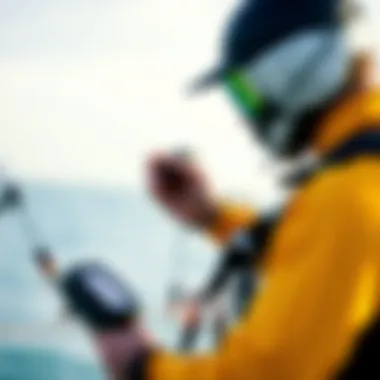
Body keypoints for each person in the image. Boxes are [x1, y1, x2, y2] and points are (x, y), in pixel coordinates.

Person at [71, 0, 380, 379]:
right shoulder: (363, 175)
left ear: (291, 73)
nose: (241, 116)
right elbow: (328, 268)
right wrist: (211, 216)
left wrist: (142, 366)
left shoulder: (345, 195)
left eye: (242, 91)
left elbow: (269, 372)